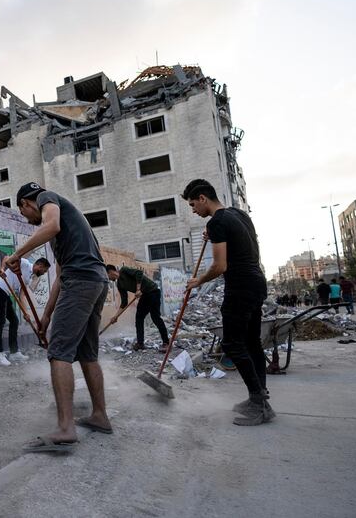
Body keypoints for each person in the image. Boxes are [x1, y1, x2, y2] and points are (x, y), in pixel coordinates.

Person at [4, 182, 112, 453]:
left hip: (82, 281)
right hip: (95, 282)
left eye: (25, 214)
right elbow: (60, 277)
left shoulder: (47, 199)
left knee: (59, 353)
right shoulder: (65, 227)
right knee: (87, 354)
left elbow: (50, 226)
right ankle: (100, 415)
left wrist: (17, 254)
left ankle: (65, 428)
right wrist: (46, 317)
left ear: (26, 204)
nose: (28, 220)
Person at [181, 179, 274, 426]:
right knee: (252, 343)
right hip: (256, 282)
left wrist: (197, 281)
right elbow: (241, 245)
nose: (193, 211)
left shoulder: (218, 222)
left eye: (193, 205)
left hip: (240, 287)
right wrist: (214, 234)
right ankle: (260, 400)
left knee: (233, 344)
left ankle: (259, 402)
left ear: (203, 198)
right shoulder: (238, 215)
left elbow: (220, 266)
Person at [0, 257, 51, 366]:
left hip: (6, 293)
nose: (43, 273)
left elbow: (22, 295)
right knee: (1, 321)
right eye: (44, 270)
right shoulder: (24, 263)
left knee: (14, 321)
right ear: (40, 266)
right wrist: (3, 269)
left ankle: (14, 353)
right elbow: (6, 258)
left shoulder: (28, 277)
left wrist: (25, 313)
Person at [105, 264, 170, 352]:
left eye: (107, 275)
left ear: (111, 271)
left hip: (153, 291)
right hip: (144, 295)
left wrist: (138, 289)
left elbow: (139, 273)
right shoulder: (119, 285)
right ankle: (140, 343)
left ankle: (166, 343)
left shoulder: (124, 270)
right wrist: (116, 316)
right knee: (139, 318)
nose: (108, 279)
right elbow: (124, 302)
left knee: (155, 317)